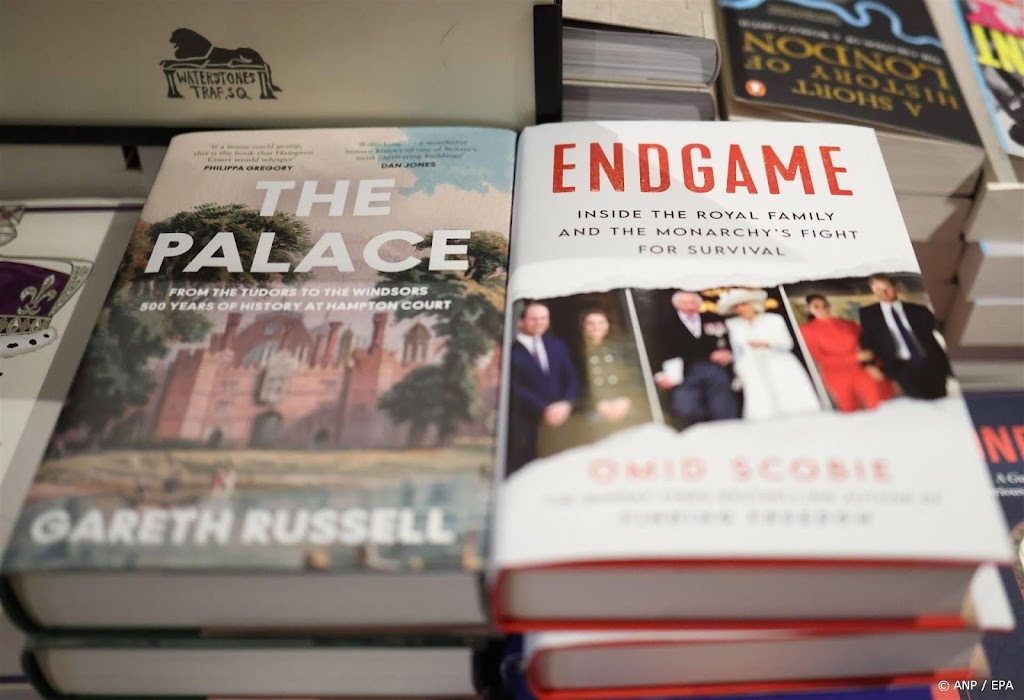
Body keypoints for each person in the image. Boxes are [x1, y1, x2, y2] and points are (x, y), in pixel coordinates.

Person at [719, 288, 821, 420]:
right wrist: (738, 369)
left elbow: (787, 344)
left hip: (779, 363)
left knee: (790, 401)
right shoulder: (734, 325)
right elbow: (737, 351)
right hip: (753, 367)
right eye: (736, 307)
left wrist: (766, 344)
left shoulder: (774, 319)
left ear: (753, 304)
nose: (740, 309)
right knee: (762, 405)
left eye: (743, 305)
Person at [507, 300, 580, 475]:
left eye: (543, 318)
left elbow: (572, 378)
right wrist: (544, 408)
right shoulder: (510, 351)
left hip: (563, 420)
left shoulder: (557, 345)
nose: (539, 323)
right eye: (534, 319)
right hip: (528, 425)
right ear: (521, 322)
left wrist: (566, 403)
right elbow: (513, 386)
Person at [652, 290, 738, 428]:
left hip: (714, 369)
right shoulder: (663, 325)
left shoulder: (712, 319)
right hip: (682, 372)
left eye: (693, 302)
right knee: (687, 410)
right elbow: (655, 351)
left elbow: (729, 342)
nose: (690, 306)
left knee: (723, 409)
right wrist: (659, 374)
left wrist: (728, 354)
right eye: (685, 303)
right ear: (676, 305)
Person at [858, 274, 951, 399]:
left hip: (931, 362)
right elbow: (867, 340)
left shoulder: (919, 310)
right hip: (901, 366)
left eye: (886, 288)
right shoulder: (868, 314)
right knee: (919, 401)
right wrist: (869, 365)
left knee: (941, 400)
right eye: (877, 289)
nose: (883, 293)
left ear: (896, 288)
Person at [799, 294, 890, 412]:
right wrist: (854, 357)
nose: (822, 309)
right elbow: (820, 357)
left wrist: (873, 364)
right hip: (836, 375)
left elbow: (867, 343)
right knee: (849, 410)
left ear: (829, 306)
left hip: (862, 370)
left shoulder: (848, 324)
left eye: (825, 305)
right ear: (808, 309)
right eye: (816, 306)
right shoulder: (806, 330)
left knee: (879, 405)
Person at [578, 308, 650, 438]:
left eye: (601, 323)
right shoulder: (578, 352)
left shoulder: (621, 347)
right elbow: (578, 383)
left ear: (608, 325)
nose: (596, 327)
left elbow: (636, 376)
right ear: (584, 326)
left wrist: (627, 400)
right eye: (591, 323)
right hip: (596, 405)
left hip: (625, 401)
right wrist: (597, 403)